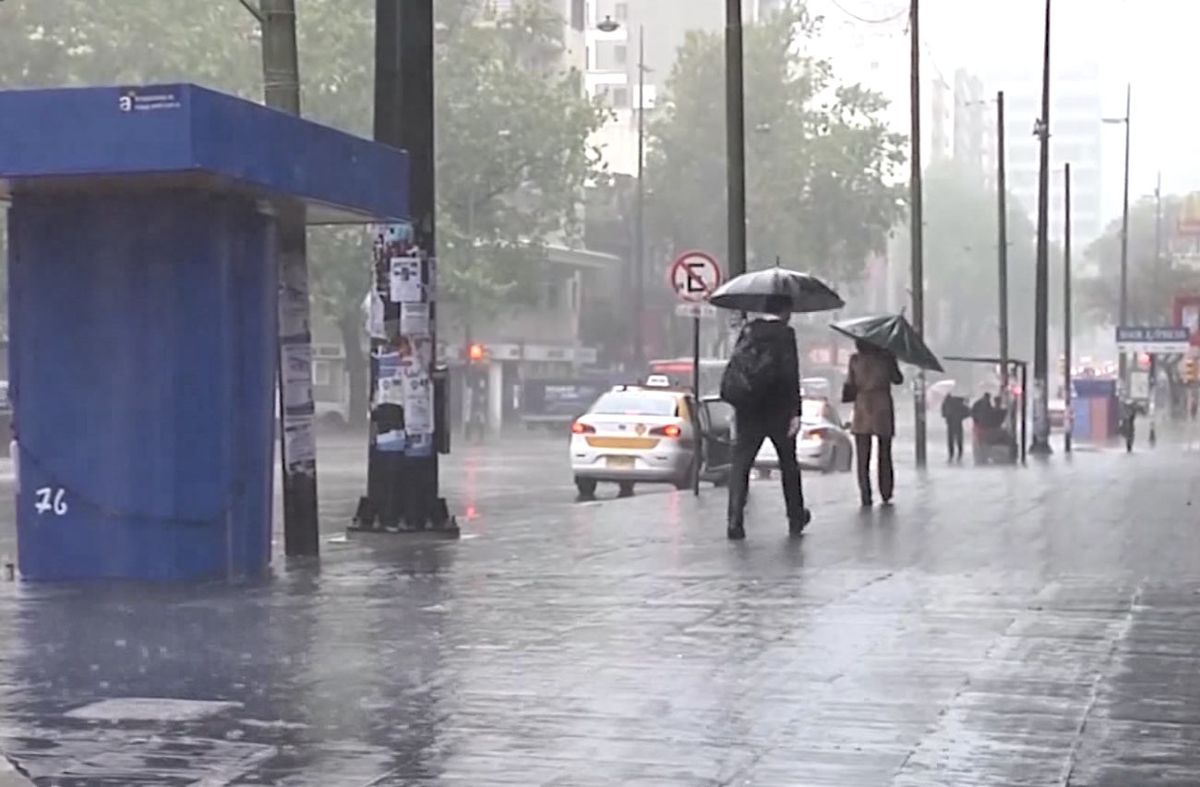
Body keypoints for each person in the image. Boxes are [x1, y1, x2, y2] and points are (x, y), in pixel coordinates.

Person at [723, 307, 809, 540]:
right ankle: (795, 516)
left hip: (748, 411)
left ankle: (734, 520)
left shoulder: (748, 331)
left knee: (741, 465)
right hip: (778, 410)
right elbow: (791, 374)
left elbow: (737, 369)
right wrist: (796, 412)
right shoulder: (786, 334)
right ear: (786, 311)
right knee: (788, 465)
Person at [845, 340, 903, 507]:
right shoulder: (886, 358)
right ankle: (886, 491)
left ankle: (865, 495)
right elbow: (898, 379)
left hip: (862, 406)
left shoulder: (855, 360)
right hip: (882, 405)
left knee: (862, 456)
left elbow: (850, 383)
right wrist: (892, 360)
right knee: (885, 453)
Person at [941, 393, 969, 462]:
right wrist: (961, 417)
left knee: (951, 441)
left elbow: (943, 414)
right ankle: (959, 455)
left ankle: (952, 455)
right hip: (957, 424)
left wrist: (948, 416)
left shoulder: (946, 404)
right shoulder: (958, 404)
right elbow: (968, 412)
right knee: (958, 440)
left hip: (951, 424)